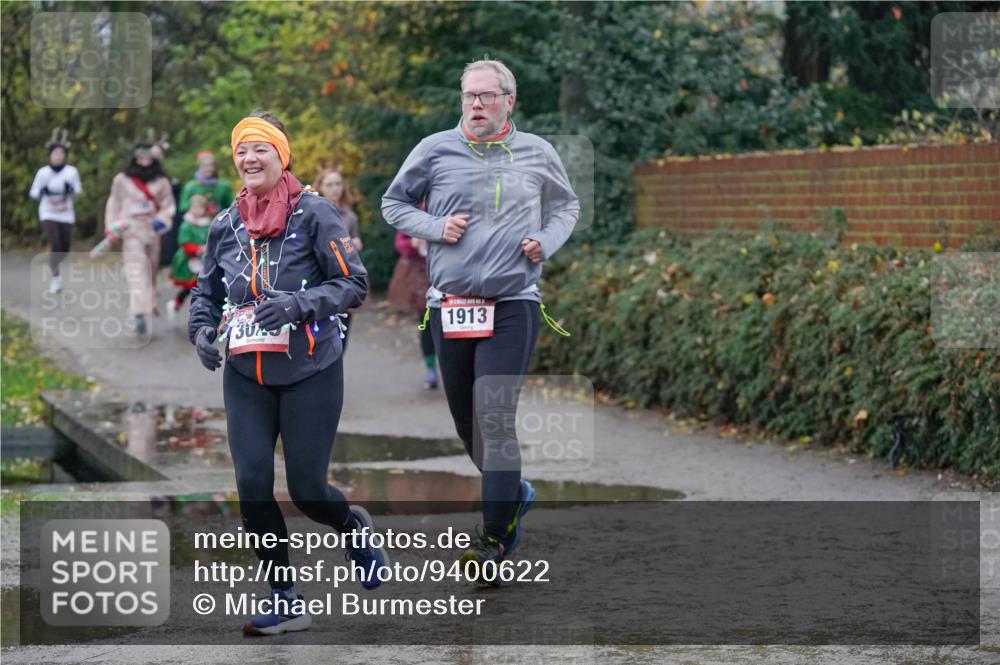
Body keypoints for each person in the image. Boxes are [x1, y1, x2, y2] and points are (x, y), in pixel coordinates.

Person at [188, 111, 387, 635]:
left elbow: (355, 285)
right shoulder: (224, 223)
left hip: (310, 371)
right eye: (242, 151)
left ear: (282, 157)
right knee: (252, 484)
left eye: (262, 151)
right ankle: (285, 597)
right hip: (246, 374)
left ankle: (351, 525)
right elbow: (204, 293)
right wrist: (202, 334)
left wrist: (298, 305)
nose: (250, 160)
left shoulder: (316, 214)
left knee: (306, 490)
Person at [382, 59, 579, 576]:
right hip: (449, 306)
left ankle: (491, 541)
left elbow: (566, 208)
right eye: (469, 96)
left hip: (514, 302)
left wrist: (546, 242)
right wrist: (435, 225)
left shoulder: (538, 152)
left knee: (494, 418)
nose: (476, 105)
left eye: (487, 97)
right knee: (469, 427)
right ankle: (513, 491)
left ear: (509, 102)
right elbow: (394, 203)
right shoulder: (435, 149)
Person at [103, 142, 176, 335]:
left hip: (152, 230)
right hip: (131, 230)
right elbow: (114, 202)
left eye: (148, 156)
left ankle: (149, 302)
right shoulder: (122, 180)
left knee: (150, 271)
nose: (144, 160)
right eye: (140, 156)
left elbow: (168, 205)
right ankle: (138, 312)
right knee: (136, 270)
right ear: (135, 157)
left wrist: (162, 220)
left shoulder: (161, 181)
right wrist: (112, 226)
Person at [314, 168, 363, 347]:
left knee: (342, 336)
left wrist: (355, 243)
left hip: (344, 278)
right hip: (319, 281)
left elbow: (353, 242)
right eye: (329, 184)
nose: (335, 188)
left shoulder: (350, 216)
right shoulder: (312, 212)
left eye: (338, 184)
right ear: (320, 187)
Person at [30, 129, 83, 294]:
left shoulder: (71, 172)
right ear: (50, 155)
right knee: (56, 244)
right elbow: (33, 192)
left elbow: (79, 191)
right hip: (48, 213)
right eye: (55, 153)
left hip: (66, 213)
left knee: (64, 248)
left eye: (61, 153)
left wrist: (71, 190)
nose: (59, 156)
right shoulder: (43, 173)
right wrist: (43, 192)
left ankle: (54, 262)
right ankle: (55, 279)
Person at [387, 230, 437, 388]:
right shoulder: (414, 212)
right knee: (426, 324)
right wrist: (413, 244)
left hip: (448, 277)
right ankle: (431, 369)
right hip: (422, 281)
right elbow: (399, 244)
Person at [166, 193, 212, 319]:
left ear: (205, 209)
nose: (196, 211)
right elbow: (185, 243)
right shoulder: (186, 225)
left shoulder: (208, 225)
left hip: (205, 260)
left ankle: (202, 312)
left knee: (204, 287)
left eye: (199, 208)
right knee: (189, 288)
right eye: (194, 208)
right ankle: (176, 304)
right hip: (190, 261)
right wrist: (198, 249)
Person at [180, 151, 234, 216]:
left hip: (219, 220)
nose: (208, 169)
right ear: (199, 167)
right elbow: (183, 207)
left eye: (210, 165)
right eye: (204, 166)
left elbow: (231, 206)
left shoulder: (224, 185)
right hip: (197, 223)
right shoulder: (190, 186)